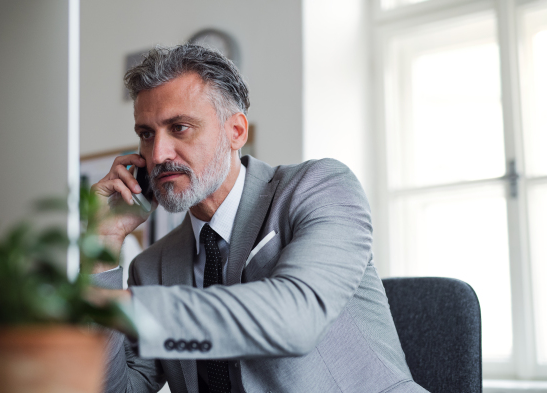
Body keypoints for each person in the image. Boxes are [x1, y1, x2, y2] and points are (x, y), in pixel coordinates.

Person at [89, 44, 428, 393]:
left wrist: (122, 306)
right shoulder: (152, 267)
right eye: (146, 134)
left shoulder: (320, 188)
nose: (158, 154)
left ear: (236, 132)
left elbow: (296, 319)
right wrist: (102, 244)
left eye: (179, 127)